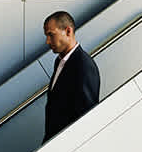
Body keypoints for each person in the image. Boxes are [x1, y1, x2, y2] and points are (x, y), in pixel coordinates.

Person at [42, 11, 100, 143]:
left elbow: (87, 116)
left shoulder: (84, 65)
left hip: (68, 146)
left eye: (51, 35)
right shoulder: (60, 61)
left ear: (68, 31)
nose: (47, 41)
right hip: (53, 142)